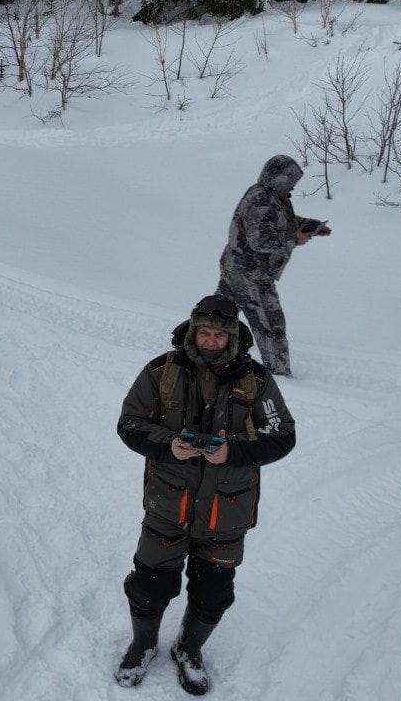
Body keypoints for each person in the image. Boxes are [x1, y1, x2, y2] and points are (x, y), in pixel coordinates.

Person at [113, 295, 296, 695]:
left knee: (214, 592)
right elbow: (129, 423)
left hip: (227, 510)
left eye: (219, 334)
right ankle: (143, 643)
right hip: (168, 502)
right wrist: (168, 445)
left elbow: (283, 436)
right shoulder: (162, 371)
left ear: (231, 337)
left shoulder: (257, 380)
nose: (210, 341)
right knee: (149, 585)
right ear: (193, 330)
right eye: (204, 332)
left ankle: (189, 648)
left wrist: (234, 452)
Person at [216, 154, 328, 377]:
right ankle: (278, 376)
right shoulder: (261, 199)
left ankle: (196, 348)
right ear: (277, 177)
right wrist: (295, 238)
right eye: (290, 181)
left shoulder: (273, 197)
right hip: (252, 275)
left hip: (238, 268)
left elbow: (281, 222)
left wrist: (310, 226)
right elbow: (260, 240)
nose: (293, 186)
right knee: (271, 326)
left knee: (219, 314)